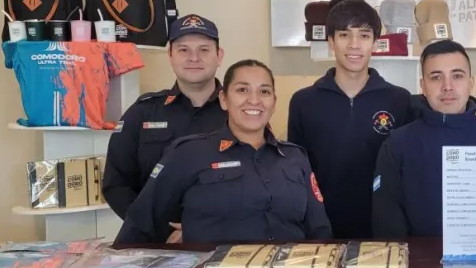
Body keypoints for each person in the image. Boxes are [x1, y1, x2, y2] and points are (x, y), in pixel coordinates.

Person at [114, 60, 332, 246]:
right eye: (242, 90)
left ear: (274, 102)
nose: (254, 100)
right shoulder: (188, 154)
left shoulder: (295, 158)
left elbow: (319, 232)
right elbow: (141, 224)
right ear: (224, 100)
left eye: (264, 91)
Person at [288, 0, 413, 238]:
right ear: (331, 42)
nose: (354, 45)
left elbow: (405, 173)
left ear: (375, 43)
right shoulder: (304, 102)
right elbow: (298, 172)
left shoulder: (399, 100)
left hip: (383, 231)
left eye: (364, 36)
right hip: (322, 229)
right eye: (345, 35)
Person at [372, 40, 476, 238]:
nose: (447, 86)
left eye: (457, 76)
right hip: (416, 265)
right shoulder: (397, 144)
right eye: (436, 77)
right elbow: (387, 222)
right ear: (423, 86)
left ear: (471, 83)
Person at [102, 14, 227, 219]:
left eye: (204, 50)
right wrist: (153, 230)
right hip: (157, 244)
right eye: (183, 50)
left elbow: (260, 181)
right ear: (170, 55)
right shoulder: (143, 113)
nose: (193, 58)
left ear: (219, 56)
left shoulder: (240, 113)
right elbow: (116, 184)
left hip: (225, 239)